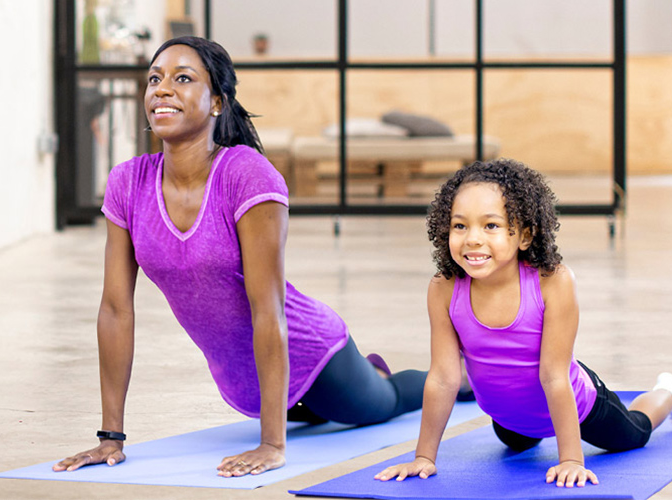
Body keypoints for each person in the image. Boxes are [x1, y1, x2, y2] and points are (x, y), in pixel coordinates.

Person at [51, 36, 430, 478]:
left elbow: (267, 308)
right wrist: (109, 438)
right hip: (245, 383)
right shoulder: (128, 183)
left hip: (311, 354)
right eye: (154, 78)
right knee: (318, 414)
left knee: (384, 403)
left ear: (217, 102)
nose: (162, 89)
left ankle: (454, 378)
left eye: (183, 78)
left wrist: (272, 444)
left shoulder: (246, 175)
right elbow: (116, 310)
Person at [375, 159, 672, 488]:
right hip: (508, 416)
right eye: (460, 226)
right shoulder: (443, 288)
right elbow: (444, 377)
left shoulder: (552, 281)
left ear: (525, 236)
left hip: (573, 402)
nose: (472, 239)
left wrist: (571, 459)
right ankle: (524, 430)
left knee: (635, 433)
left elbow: (554, 375)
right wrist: (424, 457)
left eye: (491, 226)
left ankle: (669, 392)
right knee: (516, 444)